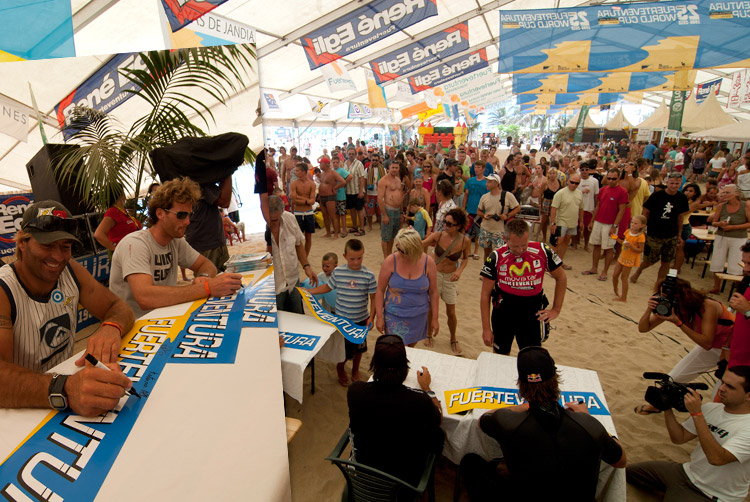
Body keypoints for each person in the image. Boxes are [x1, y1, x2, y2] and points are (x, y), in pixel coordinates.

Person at [0, 200, 135, 417]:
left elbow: (117, 306)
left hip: (66, 399)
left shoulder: (70, 270)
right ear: (22, 243)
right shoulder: (4, 289)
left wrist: (110, 327)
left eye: (65, 246)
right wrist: (64, 388)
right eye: (47, 245)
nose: (58, 256)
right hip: (19, 413)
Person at [461, 347, 626, 501]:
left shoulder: (507, 421)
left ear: (520, 385)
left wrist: (519, 408)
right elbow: (621, 461)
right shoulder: (589, 425)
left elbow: (483, 420)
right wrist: (589, 420)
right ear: (556, 380)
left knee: (470, 462)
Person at [109, 179, 242, 320]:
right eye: (181, 215)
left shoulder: (176, 241)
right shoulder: (135, 244)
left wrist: (204, 277)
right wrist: (206, 288)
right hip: (134, 324)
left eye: (190, 215)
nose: (187, 222)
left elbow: (207, 265)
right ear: (160, 214)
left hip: (164, 317)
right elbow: (145, 297)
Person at [627, 365, 750, 502]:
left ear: (748, 396)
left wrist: (697, 414)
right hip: (686, 474)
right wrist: (666, 406)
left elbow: (717, 458)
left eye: (730, 387)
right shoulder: (712, 408)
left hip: (712, 494)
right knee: (628, 473)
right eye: (722, 382)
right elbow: (679, 437)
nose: (721, 389)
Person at [347, 334, 444, 485]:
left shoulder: (355, 391)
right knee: (438, 435)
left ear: (374, 366)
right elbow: (439, 417)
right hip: (403, 483)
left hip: (362, 476)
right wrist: (427, 388)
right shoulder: (419, 400)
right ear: (405, 368)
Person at [635, 276, 735, 414]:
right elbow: (643, 328)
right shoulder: (673, 307)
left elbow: (706, 343)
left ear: (681, 296)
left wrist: (678, 323)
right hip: (712, 348)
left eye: (666, 296)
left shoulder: (707, 306)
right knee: (673, 378)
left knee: (723, 393)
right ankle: (657, 406)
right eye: (661, 296)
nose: (665, 300)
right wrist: (649, 309)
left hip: (732, 349)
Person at [480, 219, 567, 355]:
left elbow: (561, 277)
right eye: (515, 246)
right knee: (500, 356)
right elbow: (485, 294)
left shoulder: (543, 251)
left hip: (531, 313)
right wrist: (486, 328)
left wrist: (556, 309)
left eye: (524, 245)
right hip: (504, 312)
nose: (520, 250)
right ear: (505, 239)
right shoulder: (496, 257)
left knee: (532, 356)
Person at [305, 239, 376, 386]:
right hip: (342, 320)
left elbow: (374, 298)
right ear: (344, 256)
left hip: (361, 319)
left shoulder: (369, 275)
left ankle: (355, 370)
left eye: (359, 258)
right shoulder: (338, 272)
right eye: (352, 259)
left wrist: (372, 317)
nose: (356, 262)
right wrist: (310, 291)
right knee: (343, 350)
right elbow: (327, 288)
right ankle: (340, 368)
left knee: (359, 349)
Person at [376, 228, 438, 347]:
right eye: (399, 248)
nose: (400, 253)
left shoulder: (428, 262)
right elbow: (380, 290)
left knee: (410, 347)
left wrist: (435, 318)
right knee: (395, 348)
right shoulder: (391, 261)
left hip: (418, 316)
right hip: (394, 315)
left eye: (405, 251)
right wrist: (379, 317)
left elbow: (434, 292)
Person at [422, 208, 471, 355]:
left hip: (450, 277)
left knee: (451, 311)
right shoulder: (438, 235)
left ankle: (453, 338)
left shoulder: (464, 240)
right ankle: (429, 334)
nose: (446, 225)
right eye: (445, 222)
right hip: (434, 274)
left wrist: (459, 271)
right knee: (430, 307)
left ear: (458, 225)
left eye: (449, 223)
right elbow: (421, 243)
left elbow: (466, 258)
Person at [266, 195, 319, 313]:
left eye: (276, 219)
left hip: (293, 280)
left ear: (282, 212)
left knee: (299, 316)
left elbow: (298, 244)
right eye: (271, 220)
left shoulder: (290, 219)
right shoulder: (264, 231)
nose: (274, 224)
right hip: (275, 285)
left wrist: (307, 267)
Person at [707, 184, 750, 294]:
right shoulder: (722, 206)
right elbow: (713, 222)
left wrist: (733, 227)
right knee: (717, 260)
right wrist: (720, 224)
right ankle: (716, 287)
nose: (725, 195)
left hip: (738, 237)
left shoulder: (745, 206)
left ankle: (737, 287)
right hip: (722, 236)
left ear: (736, 193)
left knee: (737, 262)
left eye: (728, 193)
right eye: (724, 193)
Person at [476, 174, 520, 261]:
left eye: (489, 182)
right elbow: (479, 210)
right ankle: (487, 270)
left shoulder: (507, 195)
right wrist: (483, 215)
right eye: (487, 181)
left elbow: (517, 208)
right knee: (487, 253)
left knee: (499, 254)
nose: (487, 184)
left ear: (496, 183)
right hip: (486, 228)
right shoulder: (484, 197)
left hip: (500, 231)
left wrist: (507, 216)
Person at [549, 173, 584, 268]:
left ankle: (560, 262)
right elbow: (553, 208)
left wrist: (581, 222)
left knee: (565, 242)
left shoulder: (579, 193)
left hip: (572, 223)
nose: (574, 185)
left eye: (576, 183)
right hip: (561, 222)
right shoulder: (560, 193)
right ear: (568, 181)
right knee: (556, 242)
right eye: (572, 182)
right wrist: (553, 223)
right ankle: (550, 263)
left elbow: (581, 208)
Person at [94, 188, 142, 256]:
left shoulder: (123, 211)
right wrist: (115, 249)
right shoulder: (113, 212)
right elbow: (98, 234)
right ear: (122, 194)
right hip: (127, 254)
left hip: (135, 251)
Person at [612, 215, 646, 302]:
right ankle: (616, 290)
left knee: (624, 277)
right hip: (622, 256)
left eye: (635, 223)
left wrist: (631, 246)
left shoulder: (640, 236)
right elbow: (624, 242)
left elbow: (640, 250)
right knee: (615, 275)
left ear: (642, 225)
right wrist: (616, 238)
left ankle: (623, 297)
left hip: (629, 258)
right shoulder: (628, 231)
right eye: (632, 222)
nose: (633, 225)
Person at [728, 242, 750, 367]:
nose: (746, 269)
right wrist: (727, 347)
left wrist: (748, 311)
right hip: (736, 356)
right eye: (745, 263)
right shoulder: (747, 281)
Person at [378, 160, 405, 257]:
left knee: (393, 235)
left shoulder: (398, 180)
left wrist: (401, 212)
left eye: (396, 168)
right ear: (389, 168)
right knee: (386, 237)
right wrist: (384, 215)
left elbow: (400, 196)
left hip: (397, 211)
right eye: (392, 167)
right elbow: (380, 199)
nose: (394, 169)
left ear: (399, 169)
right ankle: (386, 257)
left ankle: (389, 255)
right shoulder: (383, 181)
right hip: (388, 210)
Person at [290, 162, 317, 256]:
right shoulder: (293, 184)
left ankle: (305, 256)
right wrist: (307, 200)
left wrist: (299, 198)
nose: (295, 172)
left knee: (308, 237)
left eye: (297, 171)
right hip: (298, 212)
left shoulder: (312, 184)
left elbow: (312, 201)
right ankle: (301, 256)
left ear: (303, 172)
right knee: (298, 237)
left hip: (308, 212)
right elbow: (294, 200)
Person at [317, 157, 346, 239]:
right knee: (325, 215)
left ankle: (336, 234)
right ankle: (328, 233)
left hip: (330, 196)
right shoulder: (322, 173)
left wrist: (335, 188)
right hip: (322, 196)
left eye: (320, 163)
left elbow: (343, 181)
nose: (319, 165)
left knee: (332, 215)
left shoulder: (333, 173)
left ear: (325, 164)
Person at [345, 146, 367, 236]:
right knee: (352, 210)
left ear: (355, 154)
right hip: (349, 191)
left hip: (357, 190)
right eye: (349, 154)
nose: (351, 155)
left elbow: (362, 178)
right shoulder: (345, 163)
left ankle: (362, 229)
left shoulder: (359, 164)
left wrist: (361, 191)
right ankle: (354, 227)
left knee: (360, 209)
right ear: (347, 154)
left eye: (352, 154)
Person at [332, 156, 352, 238]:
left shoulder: (341, 170)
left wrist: (342, 184)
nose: (335, 164)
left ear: (339, 163)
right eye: (334, 162)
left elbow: (350, 176)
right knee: (336, 213)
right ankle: (337, 229)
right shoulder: (332, 171)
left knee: (342, 213)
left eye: (337, 162)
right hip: (334, 195)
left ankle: (344, 229)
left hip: (341, 195)